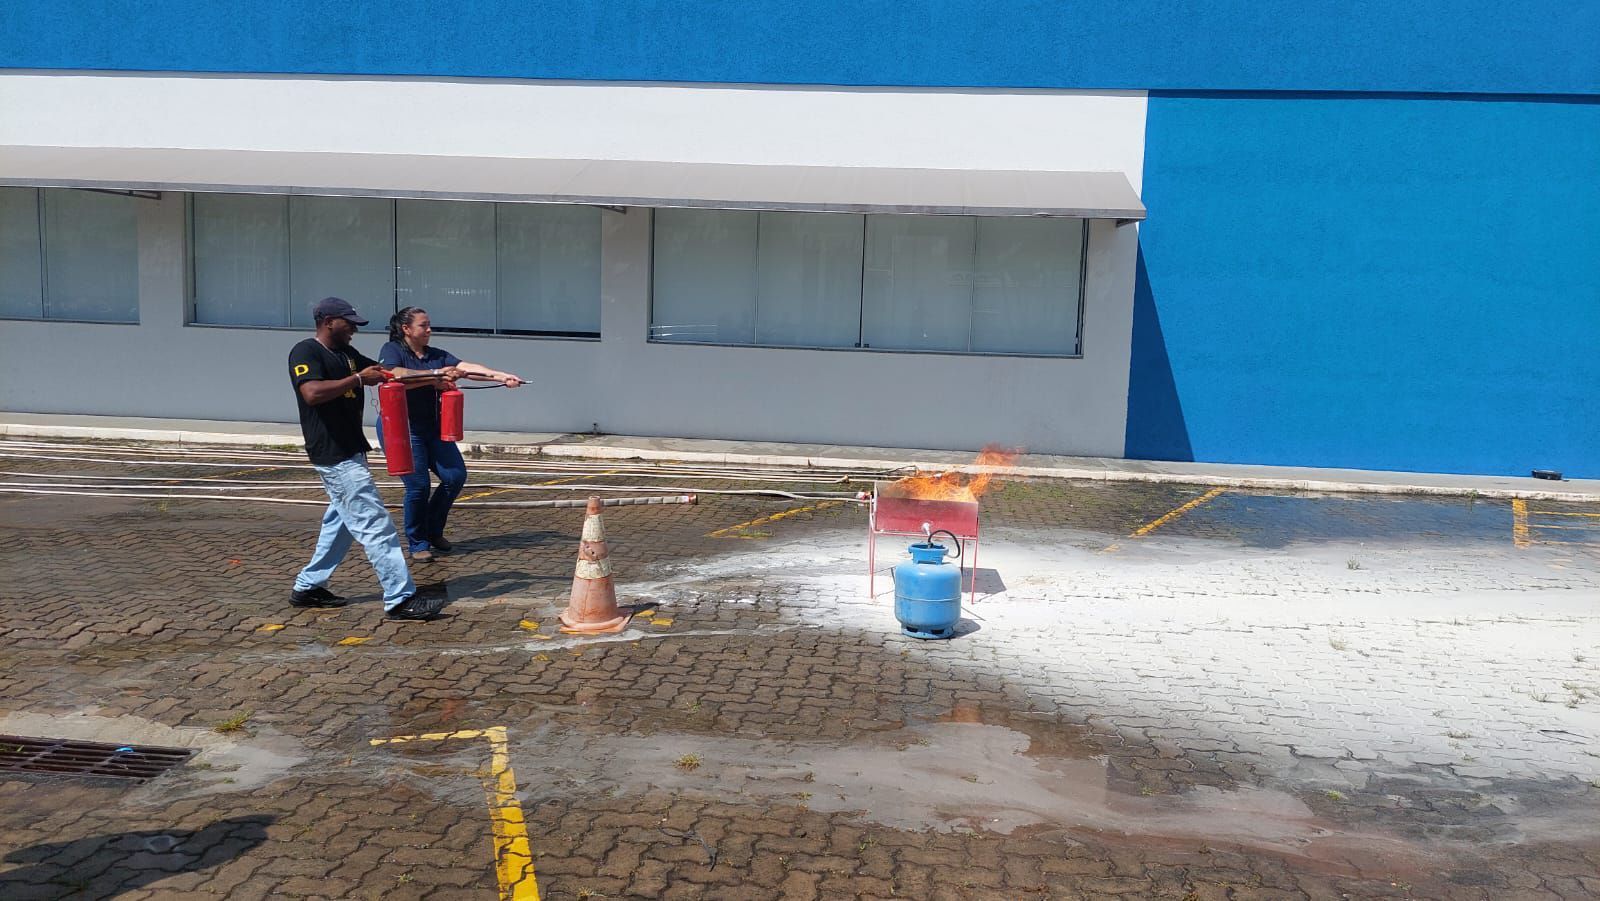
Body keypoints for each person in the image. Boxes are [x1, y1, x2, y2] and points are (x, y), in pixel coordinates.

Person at [286, 297, 447, 621]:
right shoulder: (306, 352)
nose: (354, 330)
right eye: (349, 323)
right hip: (333, 455)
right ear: (328, 321)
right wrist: (358, 380)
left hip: (351, 450)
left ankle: (308, 587)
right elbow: (312, 393)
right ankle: (400, 599)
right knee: (376, 525)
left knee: (341, 524)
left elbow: (388, 373)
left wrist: (434, 376)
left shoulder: (347, 355)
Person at [377, 306, 524, 562]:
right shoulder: (393, 350)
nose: (429, 330)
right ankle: (417, 542)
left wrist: (499, 375)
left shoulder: (436, 354)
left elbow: (464, 367)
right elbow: (395, 375)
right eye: (424, 325)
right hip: (402, 429)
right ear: (406, 329)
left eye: (429, 324)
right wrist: (435, 376)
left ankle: (433, 530)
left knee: (455, 476)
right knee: (418, 486)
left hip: (432, 428)